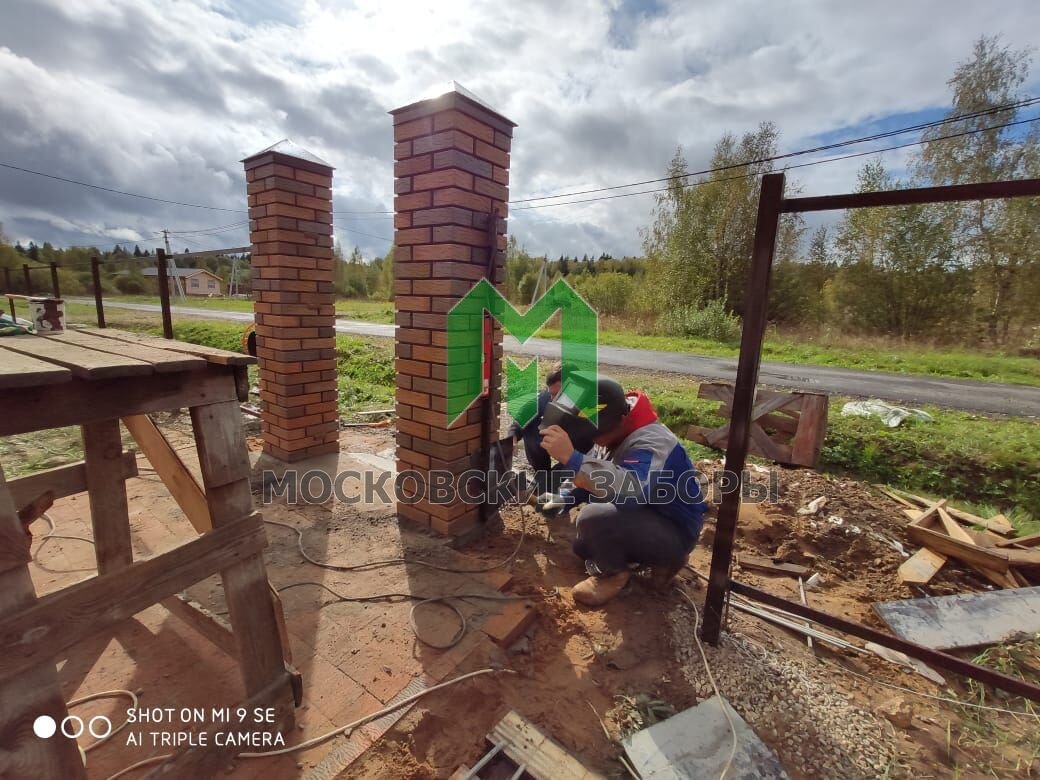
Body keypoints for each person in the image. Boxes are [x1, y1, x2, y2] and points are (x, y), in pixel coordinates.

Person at [536, 376, 708, 607]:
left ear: (615, 421)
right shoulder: (611, 427)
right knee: (583, 546)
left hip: (674, 530)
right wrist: (564, 499)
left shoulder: (653, 442)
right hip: (643, 517)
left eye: (595, 437)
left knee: (593, 518)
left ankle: (619, 573)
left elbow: (632, 489)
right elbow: (594, 469)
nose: (596, 442)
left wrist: (572, 458)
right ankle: (637, 560)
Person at [507, 363, 563, 493]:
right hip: (553, 441)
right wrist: (512, 439)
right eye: (551, 394)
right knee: (531, 428)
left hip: (577, 447)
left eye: (558, 394)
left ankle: (555, 479)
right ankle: (543, 475)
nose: (553, 399)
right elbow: (519, 423)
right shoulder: (543, 399)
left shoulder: (588, 405)